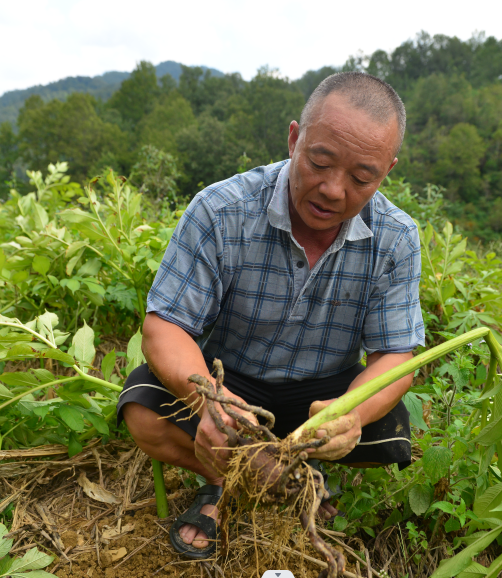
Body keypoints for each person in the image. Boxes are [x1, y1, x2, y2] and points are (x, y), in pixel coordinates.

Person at [117, 71, 426, 558]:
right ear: (294, 139)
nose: (332, 189)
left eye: (361, 178)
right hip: (229, 379)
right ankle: (232, 479)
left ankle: (298, 468)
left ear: (387, 170)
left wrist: (350, 416)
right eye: (319, 162)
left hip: (322, 394)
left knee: (387, 432)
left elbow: (395, 354)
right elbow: (164, 328)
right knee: (143, 410)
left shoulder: (396, 238)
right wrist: (212, 402)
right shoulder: (220, 210)